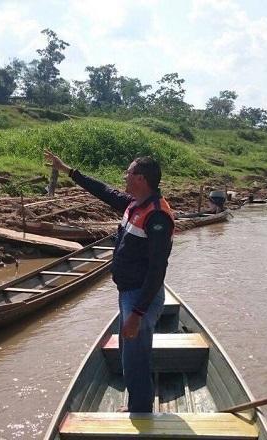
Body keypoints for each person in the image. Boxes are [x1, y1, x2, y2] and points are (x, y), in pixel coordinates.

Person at [44, 150, 174, 413]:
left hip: (140, 296)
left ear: (140, 178)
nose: (124, 177)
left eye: (128, 173)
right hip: (128, 292)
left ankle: (140, 410)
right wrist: (68, 170)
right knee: (129, 352)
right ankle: (138, 403)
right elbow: (103, 191)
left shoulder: (157, 215)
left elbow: (157, 269)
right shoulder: (134, 203)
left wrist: (138, 312)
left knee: (135, 356)